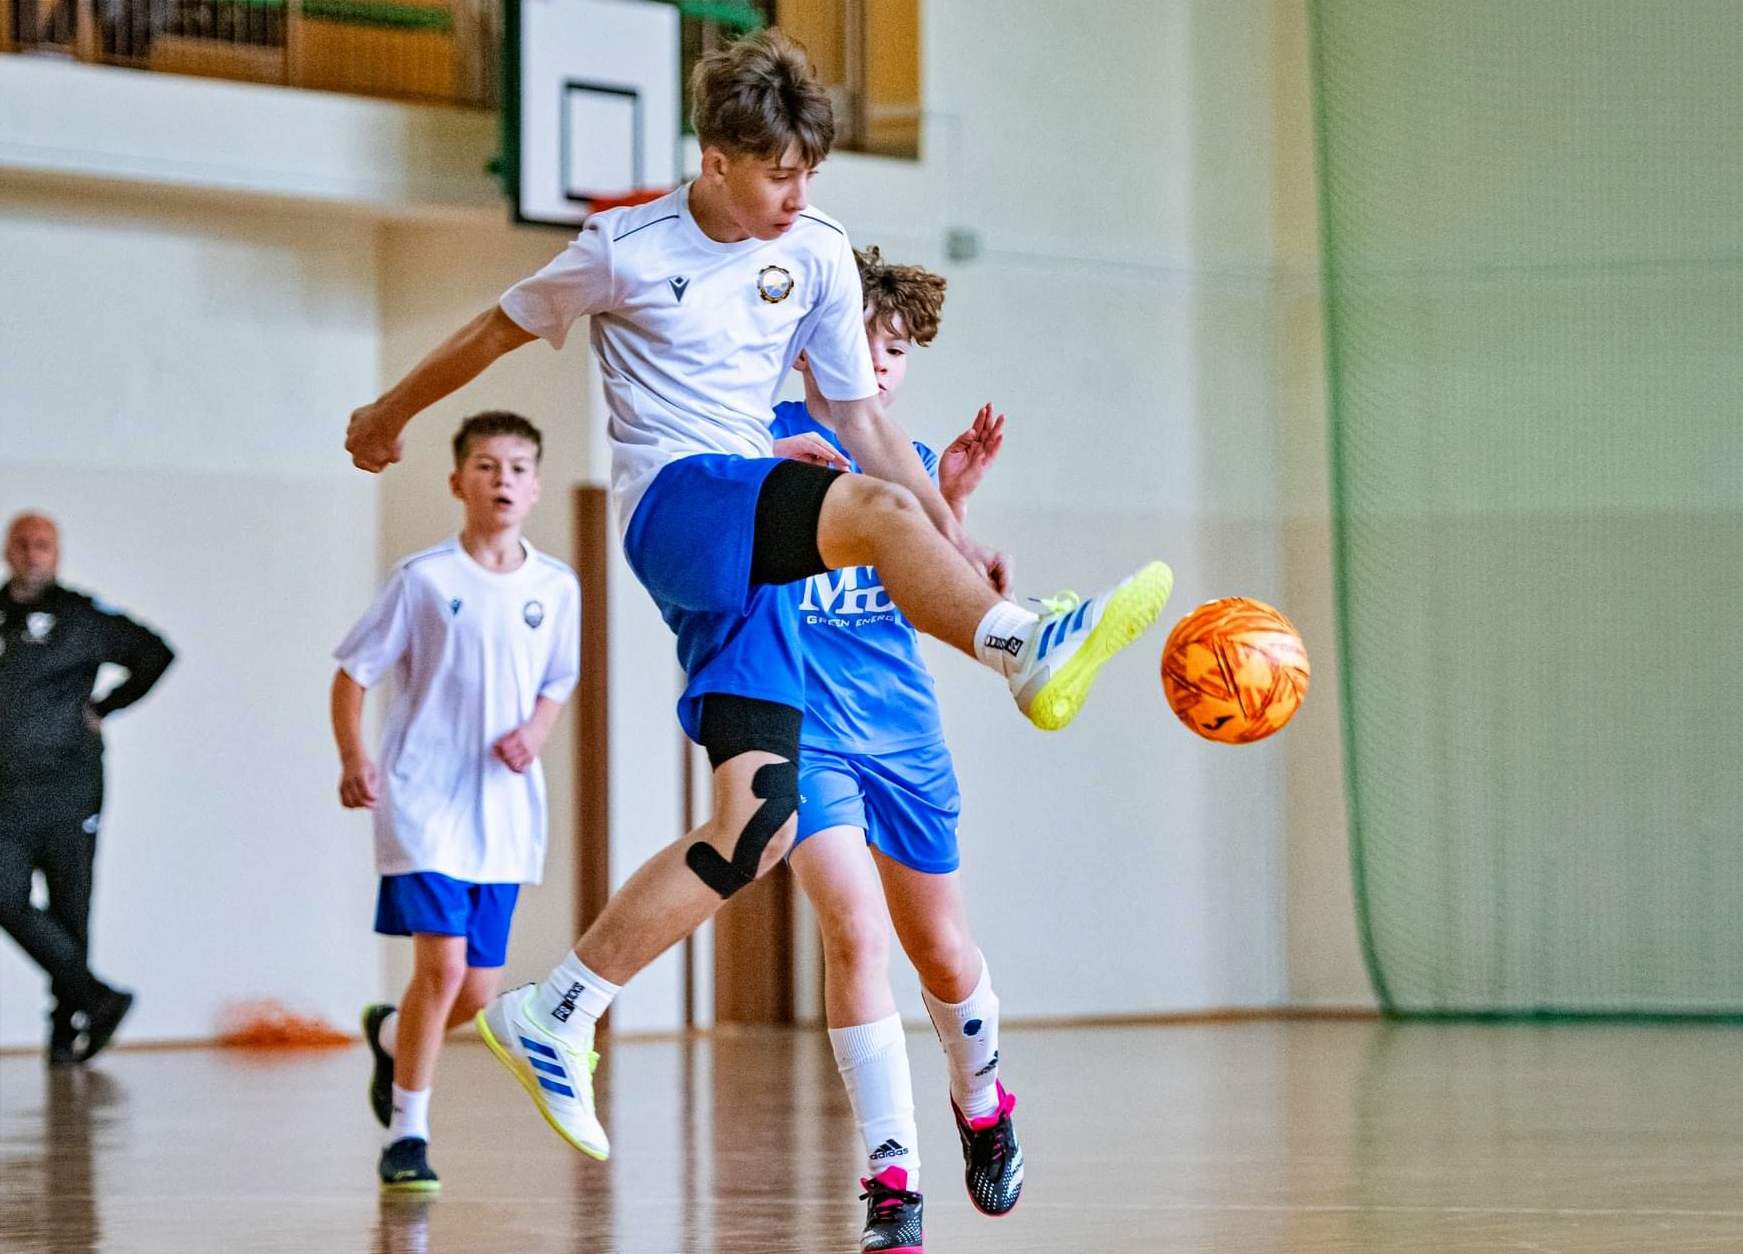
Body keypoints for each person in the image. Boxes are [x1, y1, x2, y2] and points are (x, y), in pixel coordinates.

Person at [341, 28, 1172, 1164]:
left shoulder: (820, 253)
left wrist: (955, 539)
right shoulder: (622, 246)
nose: (796, 194)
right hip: (676, 507)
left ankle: (560, 1008)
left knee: (757, 828)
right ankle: (1026, 651)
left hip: (747, 572)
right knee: (869, 517)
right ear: (719, 156)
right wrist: (389, 413)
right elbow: (495, 329)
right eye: (777, 172)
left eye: (809, 173)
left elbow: (866, 422)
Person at [768, 247, 1018, 1252]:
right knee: (852, 934)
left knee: (942, 953)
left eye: (897, 348)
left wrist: (951, 508)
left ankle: (982, 1095)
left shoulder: (898, 461)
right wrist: (766, 478)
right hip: (803, 729)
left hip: (901, 730)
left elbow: (953, 584)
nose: (878, 362)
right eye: (863, 341)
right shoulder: (757, 441)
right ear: (807, 347)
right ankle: (890, 1179)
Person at [331, 412, 581, 1194]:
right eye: (484, 465)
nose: (501, 478)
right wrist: (353, 757)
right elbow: (352, 672)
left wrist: (537, 731)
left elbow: (559, 678)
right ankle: (409, 1135)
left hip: (502, 810)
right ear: (456, 482)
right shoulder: (424, 579)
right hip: (422, 801)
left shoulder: (556, 586)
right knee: (438, 969)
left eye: (515, 467)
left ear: (535, 487)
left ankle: (390, 1035)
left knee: (473, 992)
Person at [0, 511, 173, 1065]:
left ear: (57, 553)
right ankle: (98, 999)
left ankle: (66, 1028)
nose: (32, 553)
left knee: (72, 908)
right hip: (7, 792)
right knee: (6, 896)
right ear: (8, 550)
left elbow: (155, 653)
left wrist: (106, 706)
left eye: (43, 544)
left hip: (71, 788)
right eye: (23, 543)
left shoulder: (83, 617)